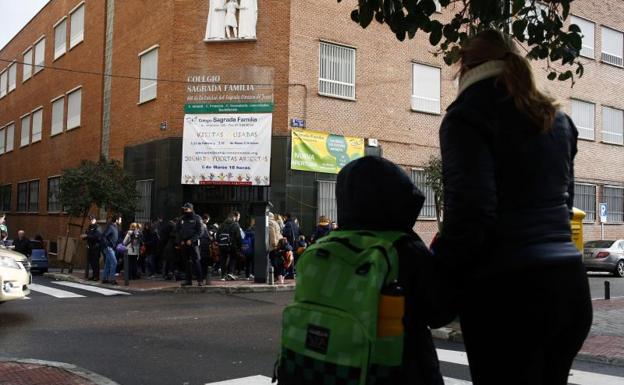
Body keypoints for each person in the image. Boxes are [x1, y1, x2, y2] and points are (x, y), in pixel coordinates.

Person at [432, 30, 592, 385]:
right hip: (569, 291)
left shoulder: (467, 116)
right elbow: (564, 206)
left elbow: (472, 214)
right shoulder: (557, 119)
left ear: (465, 67)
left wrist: (436, 281)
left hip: (509, 296)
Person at [336, 155, 445, 384]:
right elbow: (438, 312)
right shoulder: (405, 249)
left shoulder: (327, 246)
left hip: (338, 370)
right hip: (400, 371)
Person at [176, 203, 204, 286]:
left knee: (196, 261)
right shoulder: (181, 219)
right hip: (184, 243)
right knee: (186, 262)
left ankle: (200, 280)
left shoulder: (197, 218)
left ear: (191, 209)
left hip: (193, 244)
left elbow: (200, 231)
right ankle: (188, 280)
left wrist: (191, 240)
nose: (184, 210)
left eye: (186, 209)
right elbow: (177, 231)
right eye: (184, 209)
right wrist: (180, 240)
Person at [217, 211, 242, 280]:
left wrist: (219, 242)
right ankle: (230, 273)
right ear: (235, 216)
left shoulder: (222, 224)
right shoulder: (235, 224)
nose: (239, 218)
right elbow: (238, 237)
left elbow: (217, 235)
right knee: (233, 258)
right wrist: (240, 246)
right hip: (232, 245)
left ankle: (223, 275)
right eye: (239, 217)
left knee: (223, 259)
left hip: (222, 245)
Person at [102, 215, 122, 285]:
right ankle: (112, 280)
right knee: (114, 262)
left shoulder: (116, 227)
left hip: (112, 248)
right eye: (120, 220)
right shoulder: (111, 227)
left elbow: (116, 238)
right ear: (116, 220)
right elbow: (104, 236)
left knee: (107, 263)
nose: (121, 221)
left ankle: (104, 278)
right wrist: (107, 245)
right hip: (109, 248)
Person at [81, 216, 102, 281]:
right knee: (91, 262)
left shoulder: (98, 227)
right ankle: (93, 275)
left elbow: (97, 237)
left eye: (92, 219)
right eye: (90, 219)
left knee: (95, 262)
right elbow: (88, 234)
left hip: (96, 247)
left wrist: (87, 236)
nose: (91, 221)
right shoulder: (90, 227)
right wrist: (84, 237)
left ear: (95, 220)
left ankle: (96, 276)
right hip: (90, 247)